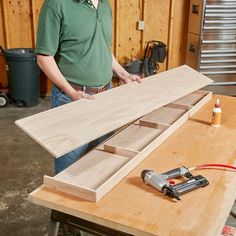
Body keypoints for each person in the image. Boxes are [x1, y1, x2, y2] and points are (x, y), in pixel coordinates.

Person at [36, 0, 142, 174]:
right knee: (69, 167)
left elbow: (103, 47)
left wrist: (124, 74)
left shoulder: (104, 5)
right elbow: (44, 58)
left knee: (100, 161)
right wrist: (71, 92)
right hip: (72, 98)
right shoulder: (56, 5)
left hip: (105, 94)